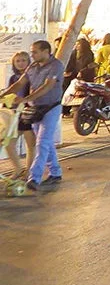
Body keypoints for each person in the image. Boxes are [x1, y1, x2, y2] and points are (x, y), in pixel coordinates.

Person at [8, 40, 66, 191]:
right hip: (35, 110)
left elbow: (48, 86)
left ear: (46, 51)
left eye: (35, 52)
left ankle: (34, 177)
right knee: (46, 143)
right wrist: (4, 94)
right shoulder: (33, 67)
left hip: (51, 107)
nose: (32, 55)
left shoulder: (56, 65)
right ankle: (55, 172)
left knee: (42, 142)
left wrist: (26, 99)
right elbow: (19, 84)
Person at [2, 52, 36, 179]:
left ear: (29, 62)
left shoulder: (32, 77)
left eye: (23, 60)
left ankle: (29, 172)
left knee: (30, 145)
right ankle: (17, 168)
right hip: (14, 114)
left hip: (27, 113)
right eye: (18, 61)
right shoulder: (13, 78)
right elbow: (9, 93)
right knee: (9, 144)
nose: (21, 63)